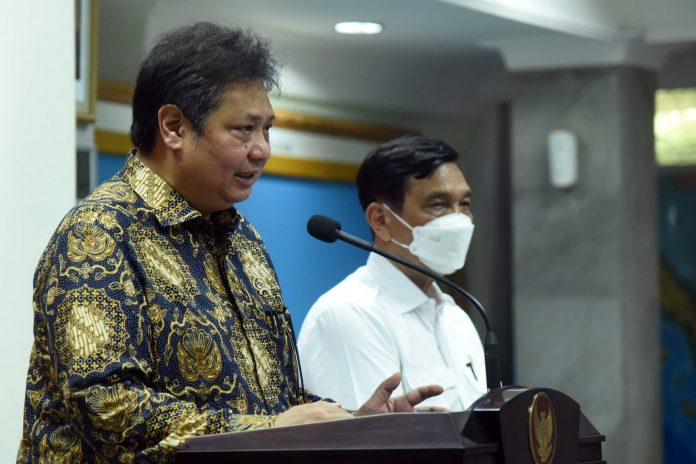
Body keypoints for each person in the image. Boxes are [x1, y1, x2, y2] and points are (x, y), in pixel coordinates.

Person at [17, 23, 442, 463]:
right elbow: (105, 405)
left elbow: (271, 401)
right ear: (174, 127)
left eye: (267, 130)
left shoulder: (244, 241)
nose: (262, 150)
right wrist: (269, 430)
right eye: (244, 129)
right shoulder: (99, 233)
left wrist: (352, 423)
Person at [298, 135, 487, 412]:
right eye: (439, 204)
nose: (458, 219)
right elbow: (363, 445)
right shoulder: (349, 313)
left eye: (465, 204)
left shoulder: (455, 316)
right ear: (380, 220)